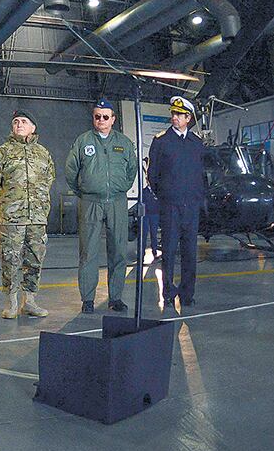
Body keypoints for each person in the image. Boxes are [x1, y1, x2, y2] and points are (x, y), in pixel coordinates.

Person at [64, 98, 137, 314]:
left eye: (106, 116)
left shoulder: (123, 143)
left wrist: (121, 187)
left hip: (117, 202)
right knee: (88, 252)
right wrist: (85, 192)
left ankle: (115, 298)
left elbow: (132, 169)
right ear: (93, 118)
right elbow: (70, 171)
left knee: (119, 251)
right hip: (91, 203)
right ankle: (87, 299)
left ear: (113, 119)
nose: (101, 120)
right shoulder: (83, 141)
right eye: (97, 116)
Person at [0, 110, 54, 319]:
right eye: (15, 121)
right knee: (10, 259)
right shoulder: (1, 153)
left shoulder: (43, 154)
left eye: (24, 121)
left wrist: (39, 202)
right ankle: (12, 302)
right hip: (12, 219)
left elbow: (49, 178)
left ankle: (30, 302)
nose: (19, 124)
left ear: (33, 127)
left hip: (37, 218)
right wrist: (7, 203)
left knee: (35, 259)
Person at [148, 96, 205, 308]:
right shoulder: (161, 141)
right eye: (173, 114)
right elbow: (152, 175)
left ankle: (187, 293)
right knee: (169, 253)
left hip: (191, 206)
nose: (174, 118)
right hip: (170, 206)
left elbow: (201, 174)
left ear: (188, 118)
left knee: (190, 252)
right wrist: (165, 195)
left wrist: (199, 198)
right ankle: (169, 293)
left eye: (179, 115)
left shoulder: (196, 143)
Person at [141, 158, 161, 261]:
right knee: (143, 235)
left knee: (154, 234)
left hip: (154, 215)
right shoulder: (144, 192)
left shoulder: (157, 192)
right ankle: (142, 254)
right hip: (145, 215)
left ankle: (154, 251)